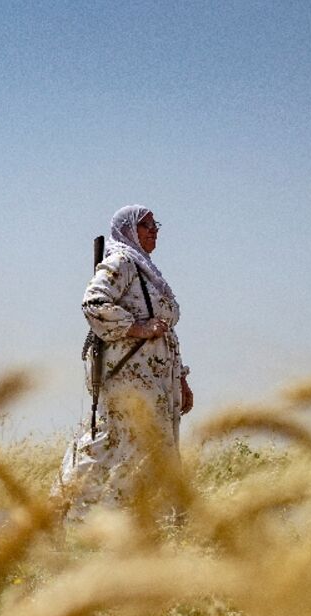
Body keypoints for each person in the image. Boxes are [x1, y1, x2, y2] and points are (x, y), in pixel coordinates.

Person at [53, 205, 193, 521]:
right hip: (129, 375)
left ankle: (145, 517)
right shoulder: (121, 263)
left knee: (149, 444)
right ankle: (76, 507)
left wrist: (181, 379)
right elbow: (94, 303)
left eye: (155, 224)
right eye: (145, 225)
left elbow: (166, 330)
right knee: (116, 439)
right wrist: (136, 327)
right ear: (128, 229)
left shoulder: (148, 271)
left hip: (157, 379)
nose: (154, 230)